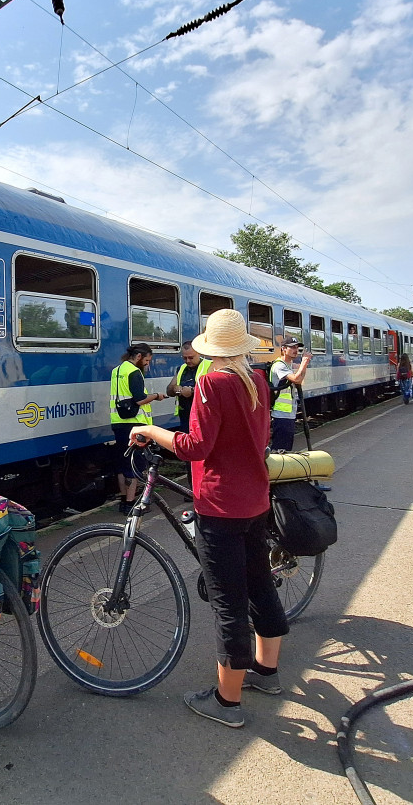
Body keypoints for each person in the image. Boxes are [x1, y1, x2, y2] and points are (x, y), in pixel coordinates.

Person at [128, 309, 286, 729]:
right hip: (254, 500)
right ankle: (265, 674)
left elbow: (194, 447)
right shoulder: (255, 380)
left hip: (219, 506)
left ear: (210, 348)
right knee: (261, 586)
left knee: (229, 604)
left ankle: (226, 701)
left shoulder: (211, 382)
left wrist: (151, 431)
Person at [110, 343, 166, 514]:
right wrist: (156, 396)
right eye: (147, 360)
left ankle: (122, 500)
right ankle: (131, 503)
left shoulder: (117, 370)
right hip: (135, 423)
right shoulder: (134, 372)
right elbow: (139, 399)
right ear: (139, 357)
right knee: (134, 465)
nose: (148, 364)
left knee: (122, 463)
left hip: (118, 422)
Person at [268, 339, 312, 450]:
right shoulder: (279, 366)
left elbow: (300, 380)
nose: (295, 350)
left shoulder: (288, 365)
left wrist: (303, 366)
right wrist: (304, 363)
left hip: (288, 413)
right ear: (283, 349)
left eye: (297, 347)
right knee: (280, 450)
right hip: (281, 414)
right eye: (292, 347)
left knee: (286, 449)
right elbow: (297, 379)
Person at [167, 341, 212, 433]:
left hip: (204, 417)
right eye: (184, 358)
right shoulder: (182, 368)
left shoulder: (210, 366)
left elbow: (214, 390)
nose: (188, 361)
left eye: (191, 358)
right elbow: (169, 390)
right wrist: (175, 388)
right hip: (185, 416)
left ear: (199, 353)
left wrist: (192, 391)